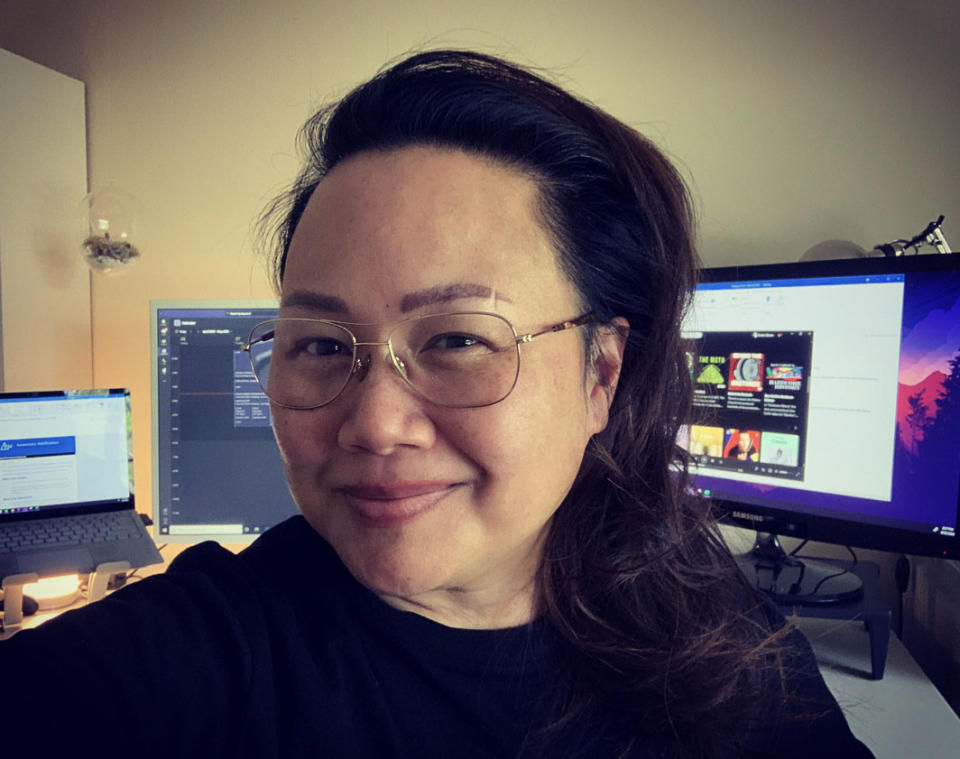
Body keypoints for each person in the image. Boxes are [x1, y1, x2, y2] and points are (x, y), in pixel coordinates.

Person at [0, 50, 873, 758]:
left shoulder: (696, 604)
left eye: (459, 340)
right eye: (318, 344)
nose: (374, 423)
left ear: (600, 376)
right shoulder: (196, 660)